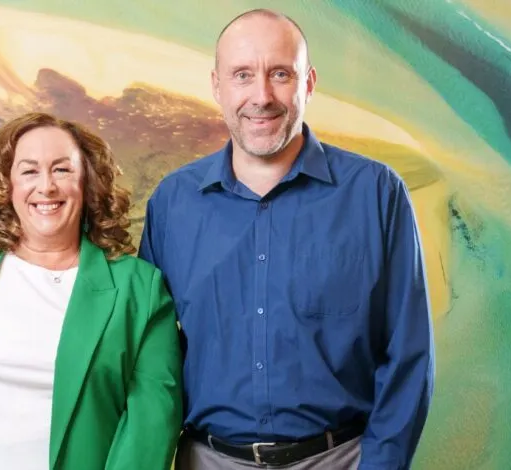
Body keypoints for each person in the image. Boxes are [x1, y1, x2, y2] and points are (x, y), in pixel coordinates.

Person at [139, 8, 434, 470]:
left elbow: (409, 353)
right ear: (217, 86)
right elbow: (149, 360)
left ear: (309, 83)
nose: (261, 96)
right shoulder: (172, 203)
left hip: (341, 459)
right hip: (207, 459)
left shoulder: (377, 193)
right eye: (242, 75)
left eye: (280, 74)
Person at [0, 112, 183, 470]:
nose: (46, 186)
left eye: (62, 169)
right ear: (7, 184)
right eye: (29, 171)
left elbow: (150, 428)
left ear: (87, 182)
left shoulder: (139, 289)